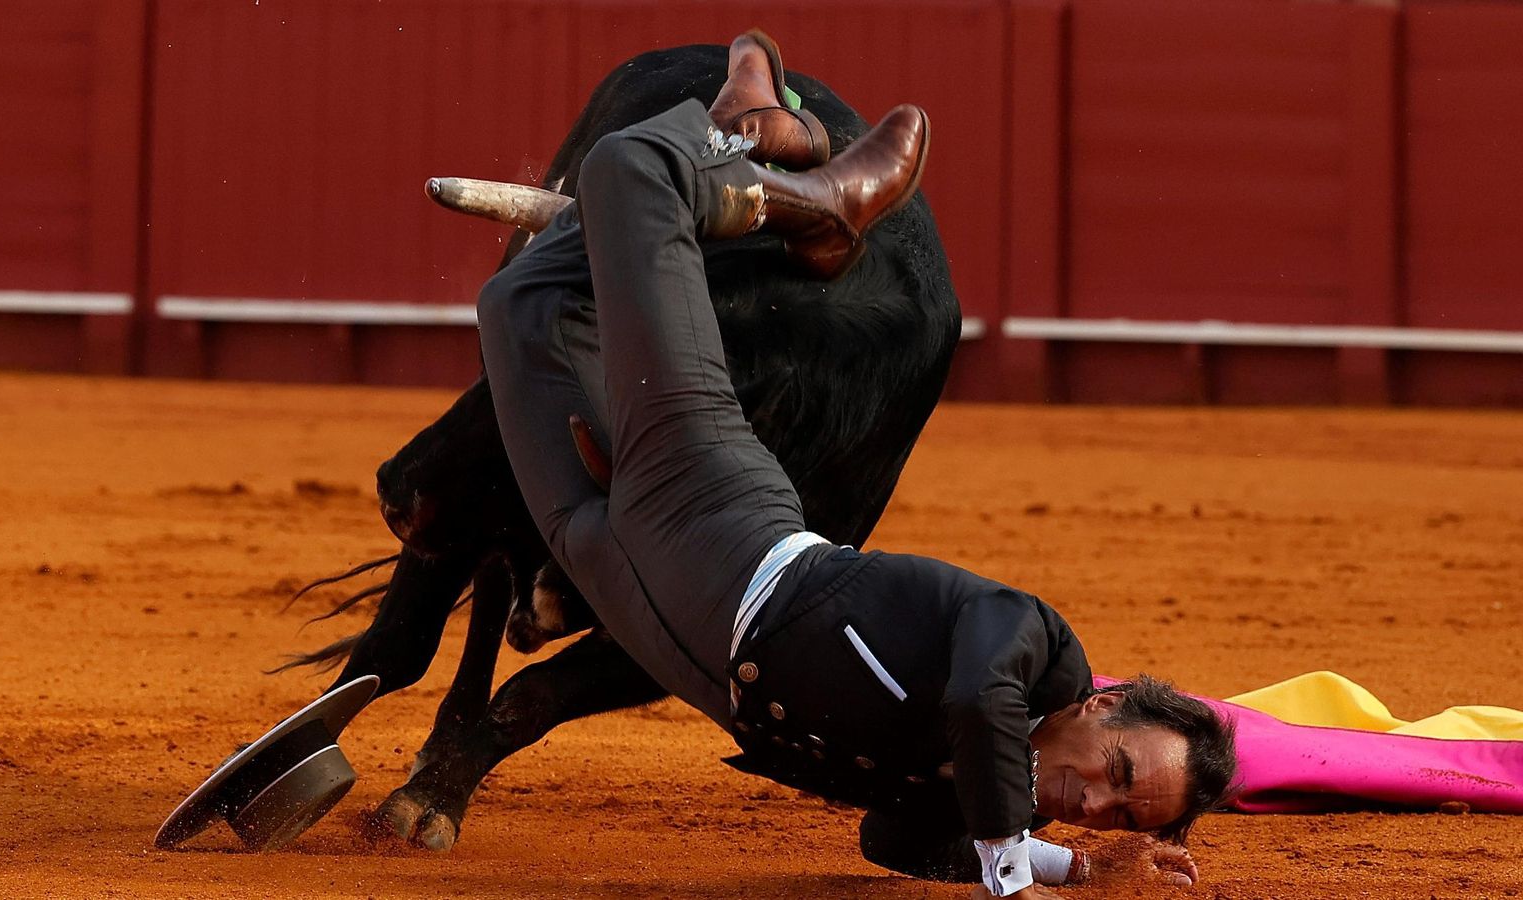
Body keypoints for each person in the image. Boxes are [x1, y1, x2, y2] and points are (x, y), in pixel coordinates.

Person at [475, 30, 1237, 898]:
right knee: (630, 168)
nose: (1096, 801)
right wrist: (1012, 871)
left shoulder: (993, 796)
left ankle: (729, 209)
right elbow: (978, 696)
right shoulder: (1036, 648)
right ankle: (771, 150)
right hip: (719, 522)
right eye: (1120, 773)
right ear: (1102, 706)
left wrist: (1075, 866)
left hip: (644, 603)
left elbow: (892, 839)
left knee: (517, 301)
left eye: (1121, 818)